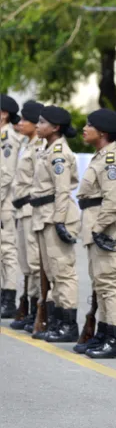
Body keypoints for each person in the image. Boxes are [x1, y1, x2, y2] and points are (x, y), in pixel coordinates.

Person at [75, 109, 116, 358]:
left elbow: (112, 200)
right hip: (97, 225)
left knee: (109, 284)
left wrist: (98, 229)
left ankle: (114, 341)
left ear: (103, 132)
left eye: (90, 125)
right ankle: (103, 333)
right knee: (100, 283)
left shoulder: (110, 161)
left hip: (107, 227)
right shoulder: (101, 156)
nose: (84, 128)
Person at [30, 106, 80, 342]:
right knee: (51, 273)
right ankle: (58, 320)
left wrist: (59, 221)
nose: (37, 126)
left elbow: (62, 191)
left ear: (55, 127)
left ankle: (68, 325)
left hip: (55, 215)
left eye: (42, 122)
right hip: (43, 215)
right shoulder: (45, 149)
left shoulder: (59, 153)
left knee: (62, 273)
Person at [10, 100, 43, 331]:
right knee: (24, 261)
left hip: (32, 209)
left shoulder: (40, 147)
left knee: (34, 262)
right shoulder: (26, 143)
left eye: (25, 120)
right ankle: (30, 307)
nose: (20, 123)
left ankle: (38, 310)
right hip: (21, 208)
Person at [0, 94, 23, 317]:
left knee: (7, 250)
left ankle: (8, 298)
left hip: (5, 201)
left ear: (4, 114)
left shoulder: (8, 138)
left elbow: (5, 174)